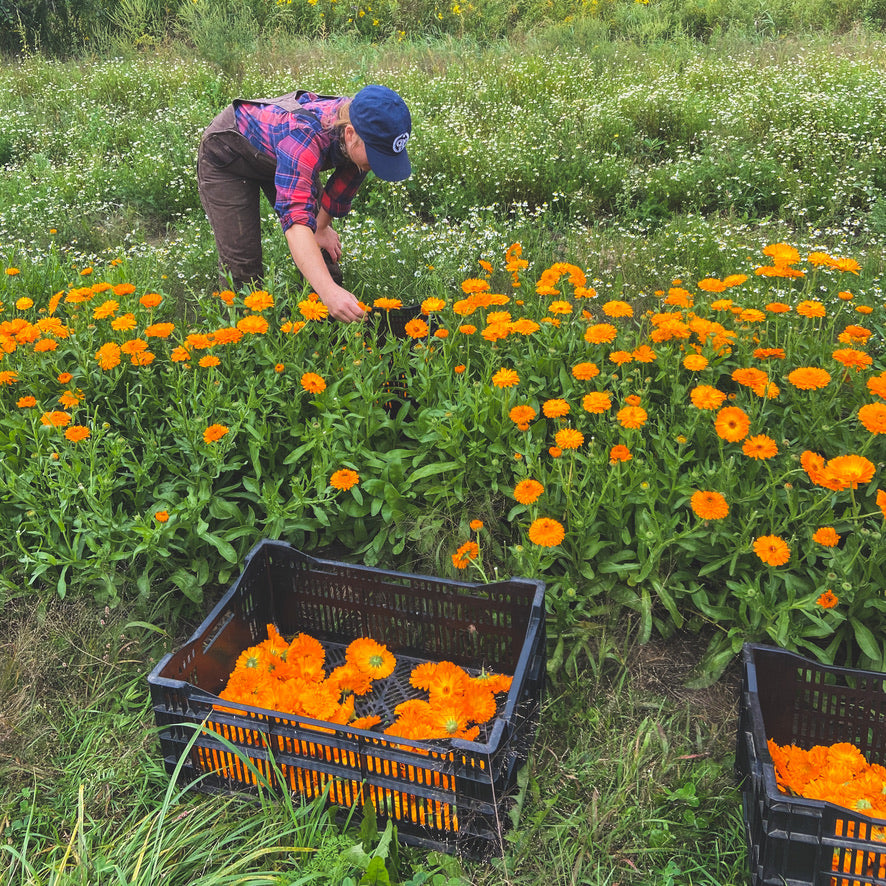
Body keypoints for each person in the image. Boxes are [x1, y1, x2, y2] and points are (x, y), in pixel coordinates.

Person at [197, 84, 412, 322]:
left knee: (322, 251)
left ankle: (322, 333)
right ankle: (242, 340)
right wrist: (329, 293)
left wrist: (320, 228)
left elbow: (342, 187)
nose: (378, 166)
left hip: (281, 153)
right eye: (376, 158)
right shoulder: (305, 136)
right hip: (229, 156)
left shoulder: (365, 126)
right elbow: (296, 221)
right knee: (242, 265)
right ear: (349, 134)